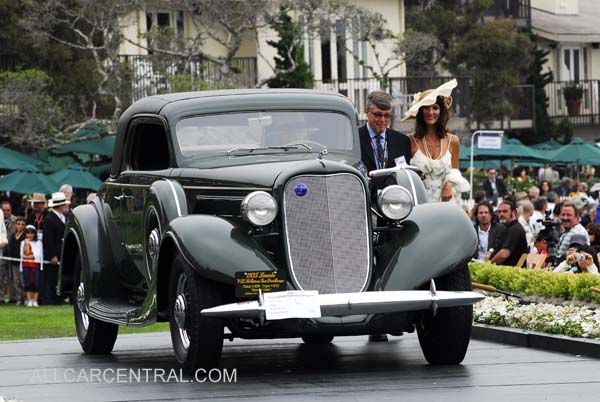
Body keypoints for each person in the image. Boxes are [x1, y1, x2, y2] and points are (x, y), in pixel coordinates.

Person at [402, 78, 469, 203]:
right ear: (421, 111)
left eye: (435, 107)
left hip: (447, 205)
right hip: (420, 205)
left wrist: (449, 183)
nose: (431, 112)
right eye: (426, 108)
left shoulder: (453, 141)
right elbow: (403, 174)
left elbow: (455, 170)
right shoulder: (410, 140)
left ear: (441, 111)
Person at [359, 90, 411, 174]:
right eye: (378, 115)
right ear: (366, 112)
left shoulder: (403, 142)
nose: (382, 120)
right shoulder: (354, 140)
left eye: (387, 115)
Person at [41, 192, 70, 305]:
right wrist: (52, 255)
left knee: (60, 276)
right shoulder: (49, 219)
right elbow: (48, 240)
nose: (65, 206)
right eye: (64, 205)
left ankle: (61, 297)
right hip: (55, 253)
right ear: (59, 206)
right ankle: (54, 298)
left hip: (62, 252)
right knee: (53, 277)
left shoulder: (63, 217)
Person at [486, 201, 528, 267]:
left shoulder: (515, 229)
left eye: (505, 211)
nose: (501, 214)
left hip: (511, 272)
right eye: (499, 212)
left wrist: (489, 265)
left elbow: (503, 255)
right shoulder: (507, 228)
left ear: (513, 213)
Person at [21, 225, 43, 307]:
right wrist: (26, 244)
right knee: (27, 282)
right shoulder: (23, 243)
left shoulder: (38, 243)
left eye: (31, 233)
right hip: (26, 265)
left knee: (36, 283)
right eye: (27, 233)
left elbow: (38, 254)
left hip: (35, 265)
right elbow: (23, 255)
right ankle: (29, 300)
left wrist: (30, 256)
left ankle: (35, 300)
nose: (29, 235)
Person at [7, 217, 26, 304]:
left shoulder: (25, 236)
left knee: (23, 281)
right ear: (15, 225)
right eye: (18, 224)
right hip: (14, 262)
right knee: (16, 281)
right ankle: (19, 299)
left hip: (22, 262)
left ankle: (25, 298)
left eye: (22, 224)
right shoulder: (12, 236)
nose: (20, 226)